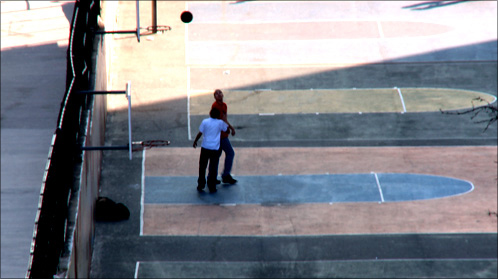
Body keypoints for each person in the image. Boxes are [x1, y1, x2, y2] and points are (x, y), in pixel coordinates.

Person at [193, 108, 229, 193]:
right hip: (215, 149)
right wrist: (223, 121)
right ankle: (212, 186)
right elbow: (227, 131)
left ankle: (201, 184)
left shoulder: (205, 122)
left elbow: (200, 133)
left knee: (202, 167)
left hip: (205, 147)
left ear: (209, 113)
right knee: (213, 168)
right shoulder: (220, 123)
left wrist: (195, 141)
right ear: (218, 115)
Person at [211, 89, 238, 184]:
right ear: (215, 97)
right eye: (216, 94)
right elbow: (221, 120)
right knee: (229, 153)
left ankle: (214, 177)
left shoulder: (224, 105)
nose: (219, 95)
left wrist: (231, 127)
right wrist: (230, 128)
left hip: (222, 134)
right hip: (220, 136)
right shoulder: (215, 106)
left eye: (220, 92)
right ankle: (225, 175)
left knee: (217, 156)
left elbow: (224, 119)